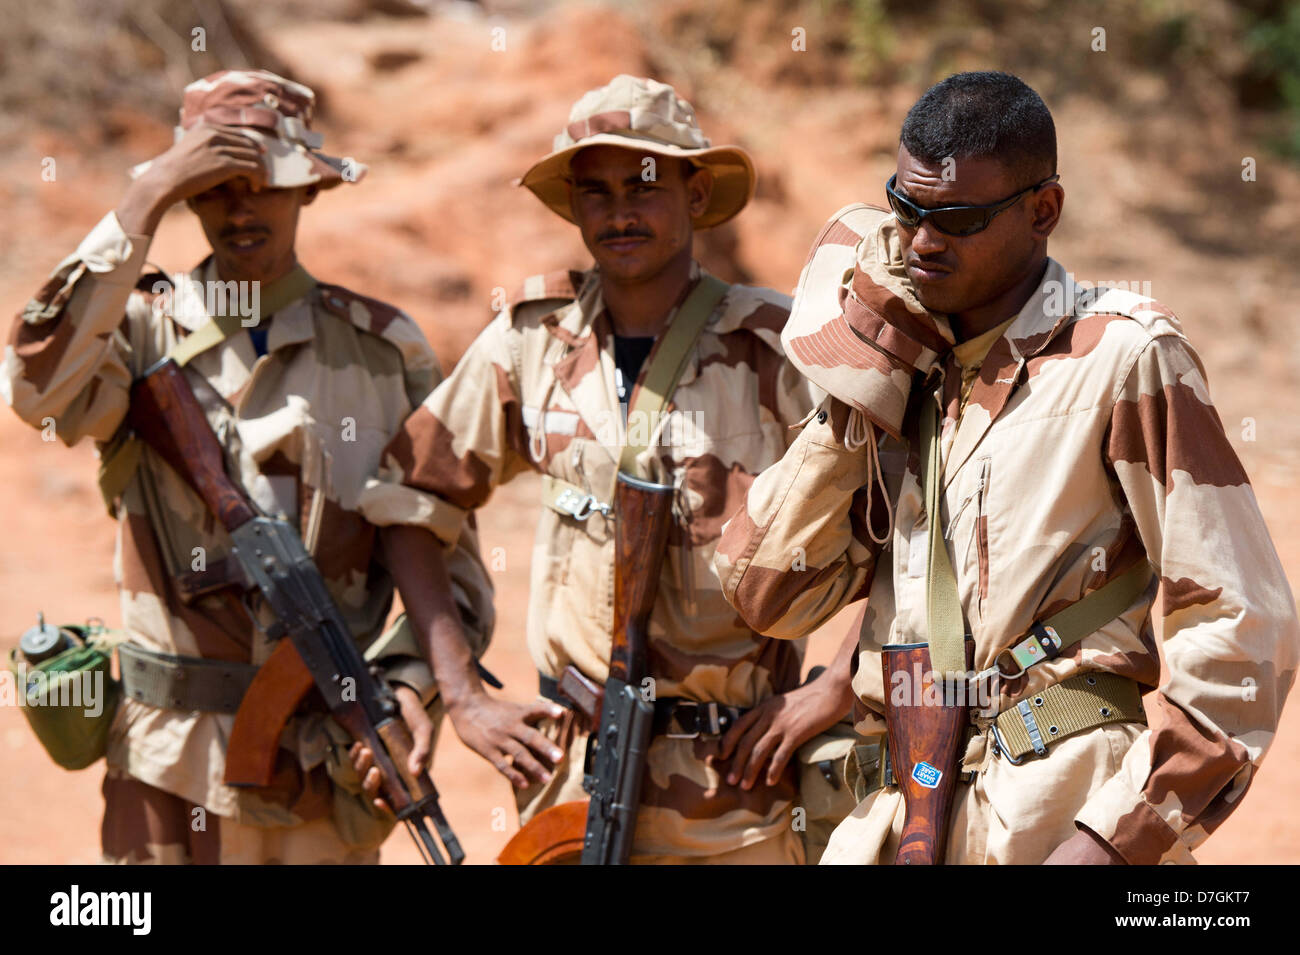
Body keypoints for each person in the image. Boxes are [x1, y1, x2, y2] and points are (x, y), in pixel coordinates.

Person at [713, 71, 1299, 864]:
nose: (922, 241)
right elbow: (766, 595)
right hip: (900, 815)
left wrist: (1113, 838)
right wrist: (855, 397)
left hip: (1058, 808)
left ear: (1043, 211)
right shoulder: (905, 372)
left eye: (957, 219)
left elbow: (1242, 622)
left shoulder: (1123, 359)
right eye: (907, 209)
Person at [356, 75, 858, 864]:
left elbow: (917, 514)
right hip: (570, 789)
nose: (619, 211)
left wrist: (835, 685)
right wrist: (461, 693)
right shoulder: (533, 339)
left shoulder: (777, 347)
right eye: (595, 192)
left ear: (696, 194)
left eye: (644, 186)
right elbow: (410, 493)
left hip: (736, 799)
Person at [2, 69, 492, 864]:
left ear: (307, 194)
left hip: (324, 776)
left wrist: (403, 688)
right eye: (211, 188)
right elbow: (32, 386)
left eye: (262, 184)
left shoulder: (382, 348)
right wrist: (141, 201)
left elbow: (449, 560)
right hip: (168, 765)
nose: (237, 208)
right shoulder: (130, 331)